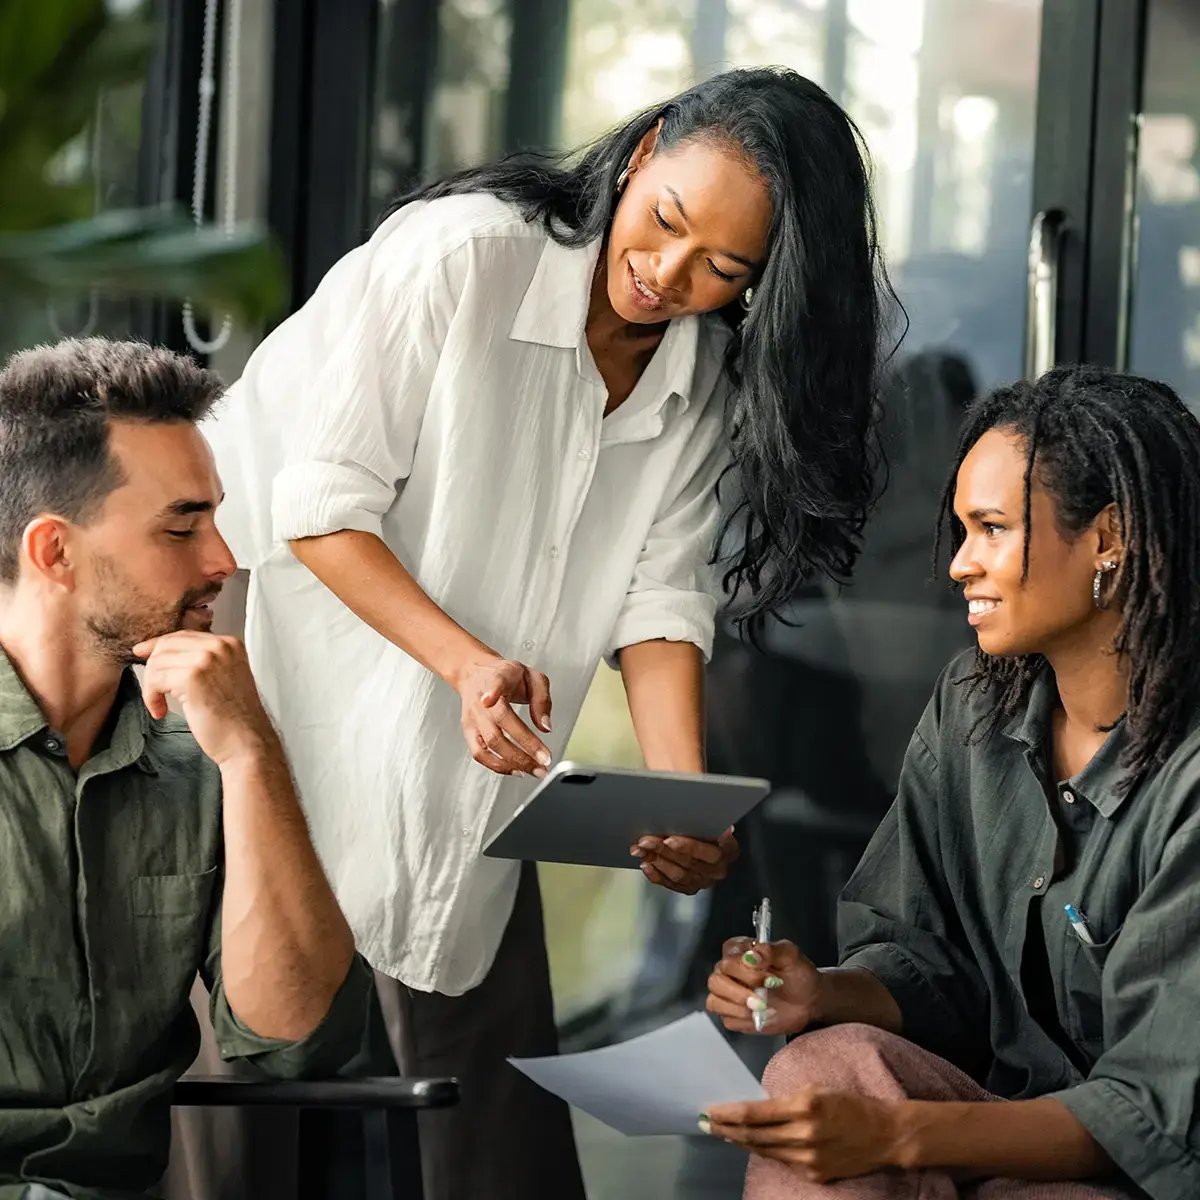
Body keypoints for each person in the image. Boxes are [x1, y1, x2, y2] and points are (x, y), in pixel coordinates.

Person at [204, 65, 896, 1198]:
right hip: (281, 625)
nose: (668, 273)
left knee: (480, 1045)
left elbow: (662, 601)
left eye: (723, 269)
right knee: (249, 1042)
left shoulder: (703, 375)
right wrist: (467, 665)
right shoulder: (464, 257)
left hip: (472, 707)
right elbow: (318, 508)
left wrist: (682, 802)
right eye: (665, 220)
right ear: (644, 151)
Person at [704, 365, 1200, 1199]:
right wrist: (818, 992)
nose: (960, 565)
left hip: (1142, 1176)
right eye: (962, 531)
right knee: (819, 1064)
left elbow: (1153, 1116)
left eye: (992, 529)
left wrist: (896, 1136)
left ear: (1109, 537)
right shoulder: (975, 705)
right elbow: (930, 963)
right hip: (990, 1123)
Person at [0, 339, 375, 1200]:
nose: (223, 561)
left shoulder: (204, 755)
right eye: (181, 527)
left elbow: (296, 1039)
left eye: (215, 520)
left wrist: (250, 755)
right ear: (54, 552)